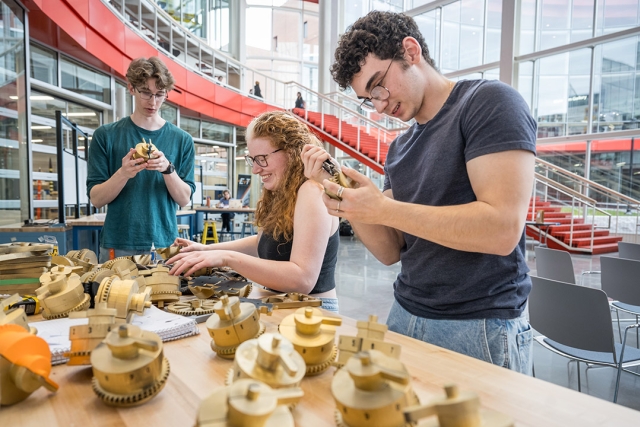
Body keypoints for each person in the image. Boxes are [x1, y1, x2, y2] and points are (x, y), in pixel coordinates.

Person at [302, 11, 536, 374]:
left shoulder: (488, 103)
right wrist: (345, 201)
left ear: (410, 51)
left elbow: (501, 230)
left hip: (480, 325)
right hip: (406, 315)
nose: (379, 105)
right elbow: (389, 250)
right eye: (369, 98)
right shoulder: (400, 148)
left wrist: (382, 209)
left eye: (379, 85)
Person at [168, 111, 340, 312]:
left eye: (262, 159)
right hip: (283, 306)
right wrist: (206, 250)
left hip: (313, 312)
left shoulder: (311, 190)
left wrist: (227, 258)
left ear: (292, 152)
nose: (256, 170)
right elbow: (263, 241)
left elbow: (302, 279)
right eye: (253, 160)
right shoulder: (283, 191)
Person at [87, 56, 195, 263]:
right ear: (131, 88)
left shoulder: (182, 140)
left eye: (160, 94)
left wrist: (168, 169)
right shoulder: (106, 136)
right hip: (118, 244)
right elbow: (96, 199)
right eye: (146, 92)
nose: (153, 102)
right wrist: (123, 173)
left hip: (165, 244)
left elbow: (184, 199)